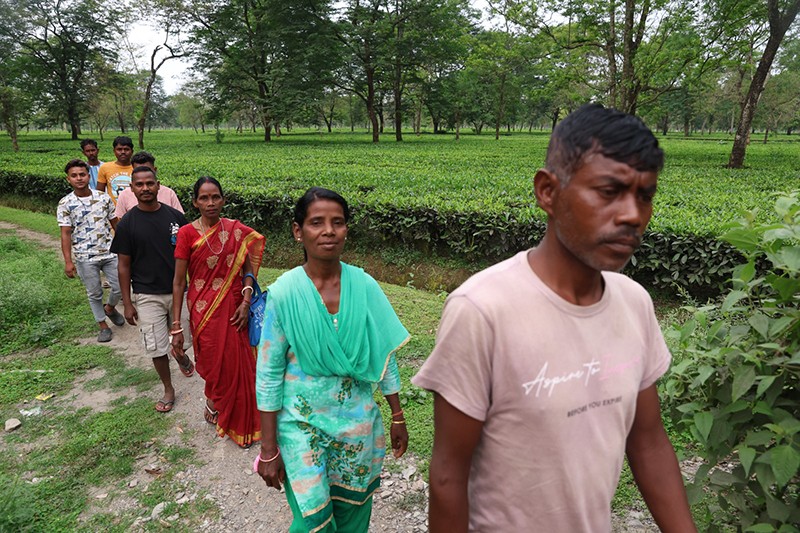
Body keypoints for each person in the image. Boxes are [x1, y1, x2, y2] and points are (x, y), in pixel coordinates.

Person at [412, 104, 697, 533]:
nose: (633, 215)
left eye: (645, 195)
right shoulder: (482, 310)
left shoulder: (634, 303)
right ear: (548, 191)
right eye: (608, 191)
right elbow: (449, 474)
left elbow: (649, 440)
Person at [255, 187, 410, 533]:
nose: (328, 231)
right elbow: (268, 373)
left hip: (357, 427)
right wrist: (268, 449)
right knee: (313, 520)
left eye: (337, 222)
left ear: (346, 230)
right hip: (300, 428)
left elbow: (383, 353)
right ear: (299, 231)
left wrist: (397, 415)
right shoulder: (284, 294)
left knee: (353, 514)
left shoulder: (364, 286)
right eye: (317, 222)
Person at [170, 177, 265, 448]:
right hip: (203, 311)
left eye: (215, 197)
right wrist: (177, 325)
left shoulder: (236, 231)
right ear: (195, 202)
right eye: (204, 198)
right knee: (213, 363)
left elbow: (247, 269)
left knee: (240, 363)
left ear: (223, 199)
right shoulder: (187, 233)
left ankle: (243, 422)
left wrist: (246, 301)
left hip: (236, 307)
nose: (210, 203)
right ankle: (214, 399)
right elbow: (179, 282)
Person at [111, 166, 195, 413]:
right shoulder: (127, 224)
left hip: (180, 292)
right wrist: (127, 302)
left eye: (150, 183)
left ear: (159, 186)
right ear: (132, 188)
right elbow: (123, 266)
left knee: (185, 339)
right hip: (147, 294)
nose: (145, 188)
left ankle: (180, 355)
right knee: (155, 346)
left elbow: (192, 254)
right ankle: (168, 388)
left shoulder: (175, 218)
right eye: (140, 184)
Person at [57, 159, 125, 342]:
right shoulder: (65, 203)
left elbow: (115, 224)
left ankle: (109, 308)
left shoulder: (103, 198)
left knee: (120, 287)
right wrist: (68, 261)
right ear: (68, 179)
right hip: (85, 257)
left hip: (110, 252)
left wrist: (125, 247)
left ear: (89, 176)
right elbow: (65, 234)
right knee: (94, 292)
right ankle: (102, 325)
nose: (79, 178)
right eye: (74, 175)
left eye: (82, 174)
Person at [115, 151, 184, 219]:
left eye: (147, 170)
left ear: (155, 170)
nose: (145, 189)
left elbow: (179, 219)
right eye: (139, 171)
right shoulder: (124, 195)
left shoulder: (169, 193)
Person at [96, 135, 133, 204]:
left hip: (134, 209)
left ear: (132, 151)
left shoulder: (138, 167)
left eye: (126, 149)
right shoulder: (105, 167)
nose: (123, 152)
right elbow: (100, 193)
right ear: (114, 151)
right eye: (119, 149)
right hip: (113, 211)